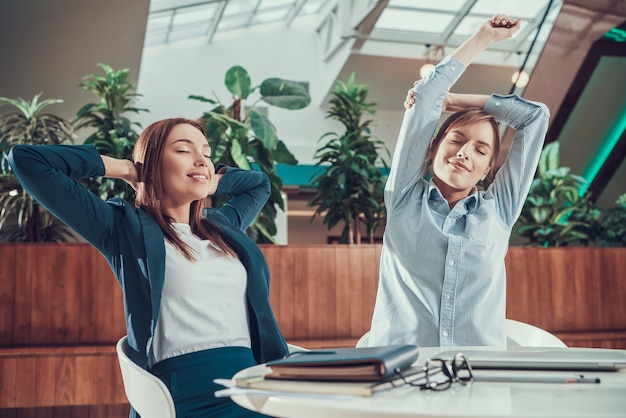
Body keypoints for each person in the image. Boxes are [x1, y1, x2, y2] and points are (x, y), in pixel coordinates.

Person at [9, 117, 287, 417]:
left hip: (253, 381)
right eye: (183, 151)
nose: (201, 160)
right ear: (153, 163)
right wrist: (129, 169)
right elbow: (26, 160)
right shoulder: (122, 229)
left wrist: (210, 179)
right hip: (187, 392)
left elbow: (260, 185)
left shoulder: (222, 226)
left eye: (206, 154)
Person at [367, 15, 550, 348]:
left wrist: (453, 102)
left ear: (487, 170)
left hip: (480, 374)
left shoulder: (500, 211)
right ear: (433, 147)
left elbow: (535, 117)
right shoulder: (404, 198)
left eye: (480, 150)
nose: (465, 153)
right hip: (403, 371)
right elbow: (425, 97)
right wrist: (483, 37)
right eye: (456, 139)